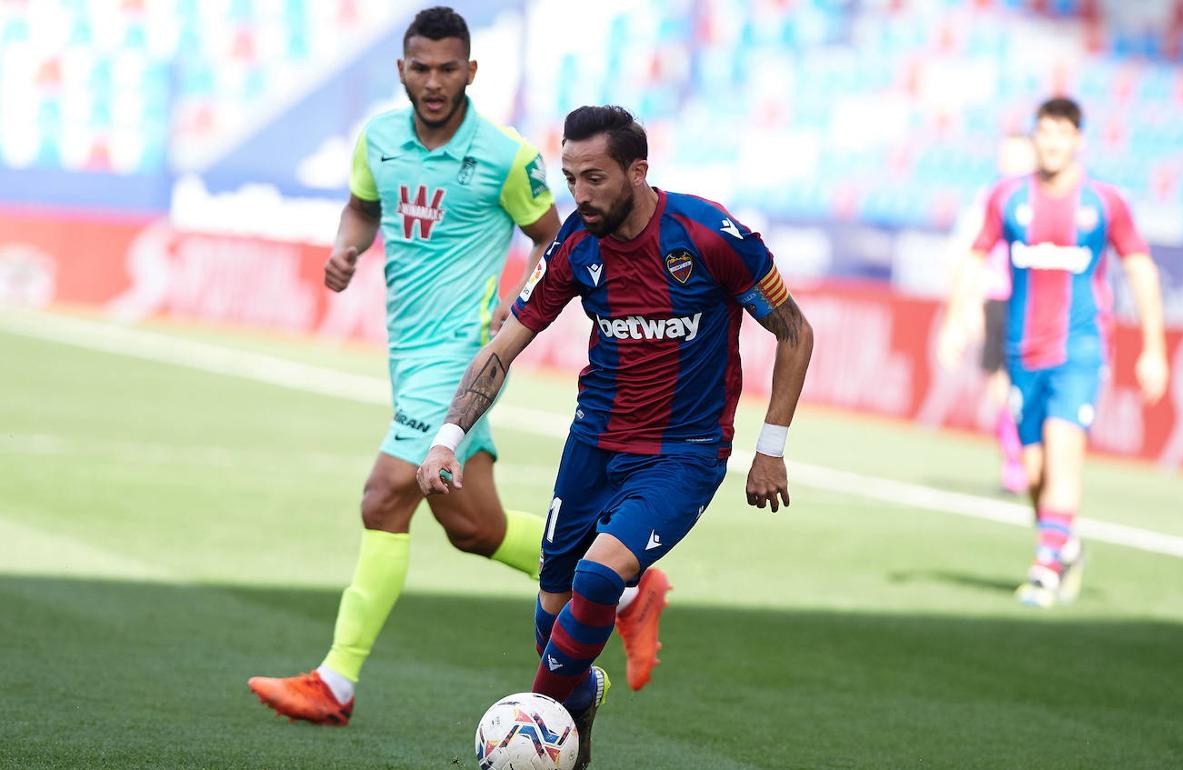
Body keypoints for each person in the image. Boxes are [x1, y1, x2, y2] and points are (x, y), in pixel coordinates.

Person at [247, 9, 668, 726]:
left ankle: (335, 682)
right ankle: (628, 587)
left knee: (384, 497)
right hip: (406, 353)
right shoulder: (377, 140)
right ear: (402, 69)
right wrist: (347, 247)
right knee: (474, 526)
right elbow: (360, 207)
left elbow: (552, 237)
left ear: (471, 71)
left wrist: (517, 308)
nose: (434, 81)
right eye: (421, 67)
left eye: (449, 68)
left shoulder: (504, 156)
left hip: (460, 355)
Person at [418, 105, 814, 769]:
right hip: (593, 448)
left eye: (595, 178)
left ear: (637, 170)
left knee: (598, 578)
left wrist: (769, 450)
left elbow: (795, 331)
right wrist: (446, 438)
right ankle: (574, 715)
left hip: (683, 454)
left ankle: (530, 731)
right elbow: (503, 347)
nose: (581, 194)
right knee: (551, 616)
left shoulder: (710, 234)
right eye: (571, 178)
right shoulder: (576, 245)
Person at [939, 97, 1168, 608]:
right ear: (1035, 138)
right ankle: (1066, 544)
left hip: (1080, 350)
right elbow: (974, 255)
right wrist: (959, 315)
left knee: (1063, 456)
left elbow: (1140, 268)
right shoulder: (1008, 198)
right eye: (1044, 133)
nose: (1052, 143)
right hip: (1023, 353)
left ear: (1078, 140)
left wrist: (1154, 347)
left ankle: (1044, 569)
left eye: (1062, 134)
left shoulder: (1104, 202)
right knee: (1036, 473)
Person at [944, 134, 1036, 494]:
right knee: (1000, 379)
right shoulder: (989, 199)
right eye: (1006, 155)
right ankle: (1013, 460)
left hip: (1036, 299)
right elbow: (965, 252)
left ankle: (1030, 455)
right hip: (997, 297)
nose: (1010, 161)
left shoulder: (1044, 198)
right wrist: (966, 306)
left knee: (1028, 380)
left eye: (1018, 155)